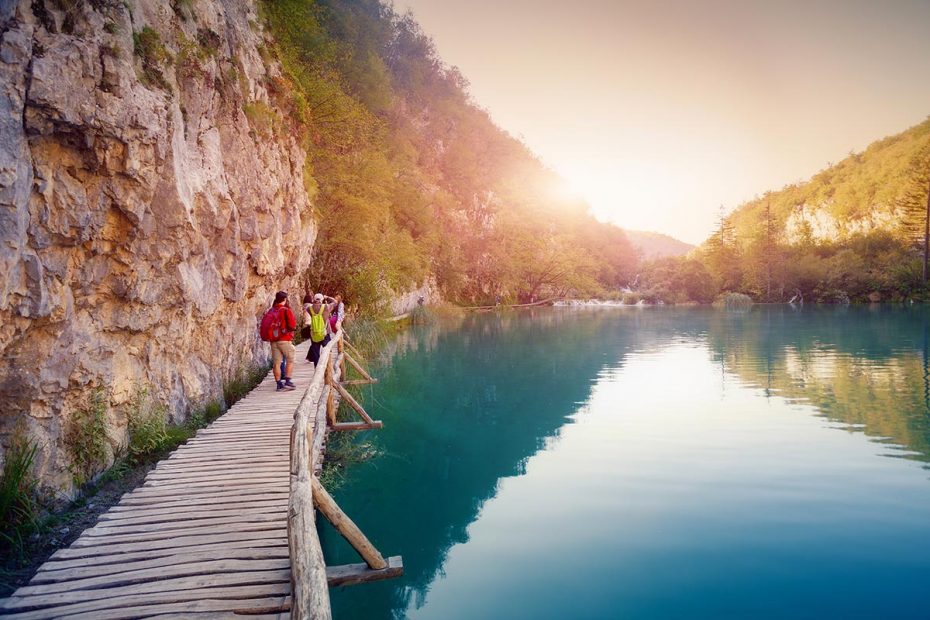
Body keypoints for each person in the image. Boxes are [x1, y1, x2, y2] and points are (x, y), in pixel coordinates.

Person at [269, 291, 297, 391]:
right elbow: (293, 325)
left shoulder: (271, 310)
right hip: (284, 339)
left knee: (276, 363)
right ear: (284, 299)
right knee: (291, 359)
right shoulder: (285, 310)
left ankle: (279, 384)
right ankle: (288, 381)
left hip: (273, 340)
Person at [305, 293, 333, 366]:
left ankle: (317, 369)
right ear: (321, 299)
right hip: (325, 332)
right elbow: (335, 302)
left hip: (314, 333)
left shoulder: (309, 309)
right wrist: (327, 297)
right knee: (327, 350)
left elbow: (307, 305)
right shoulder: (326, 307)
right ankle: (327, 366)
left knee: (316, 353)